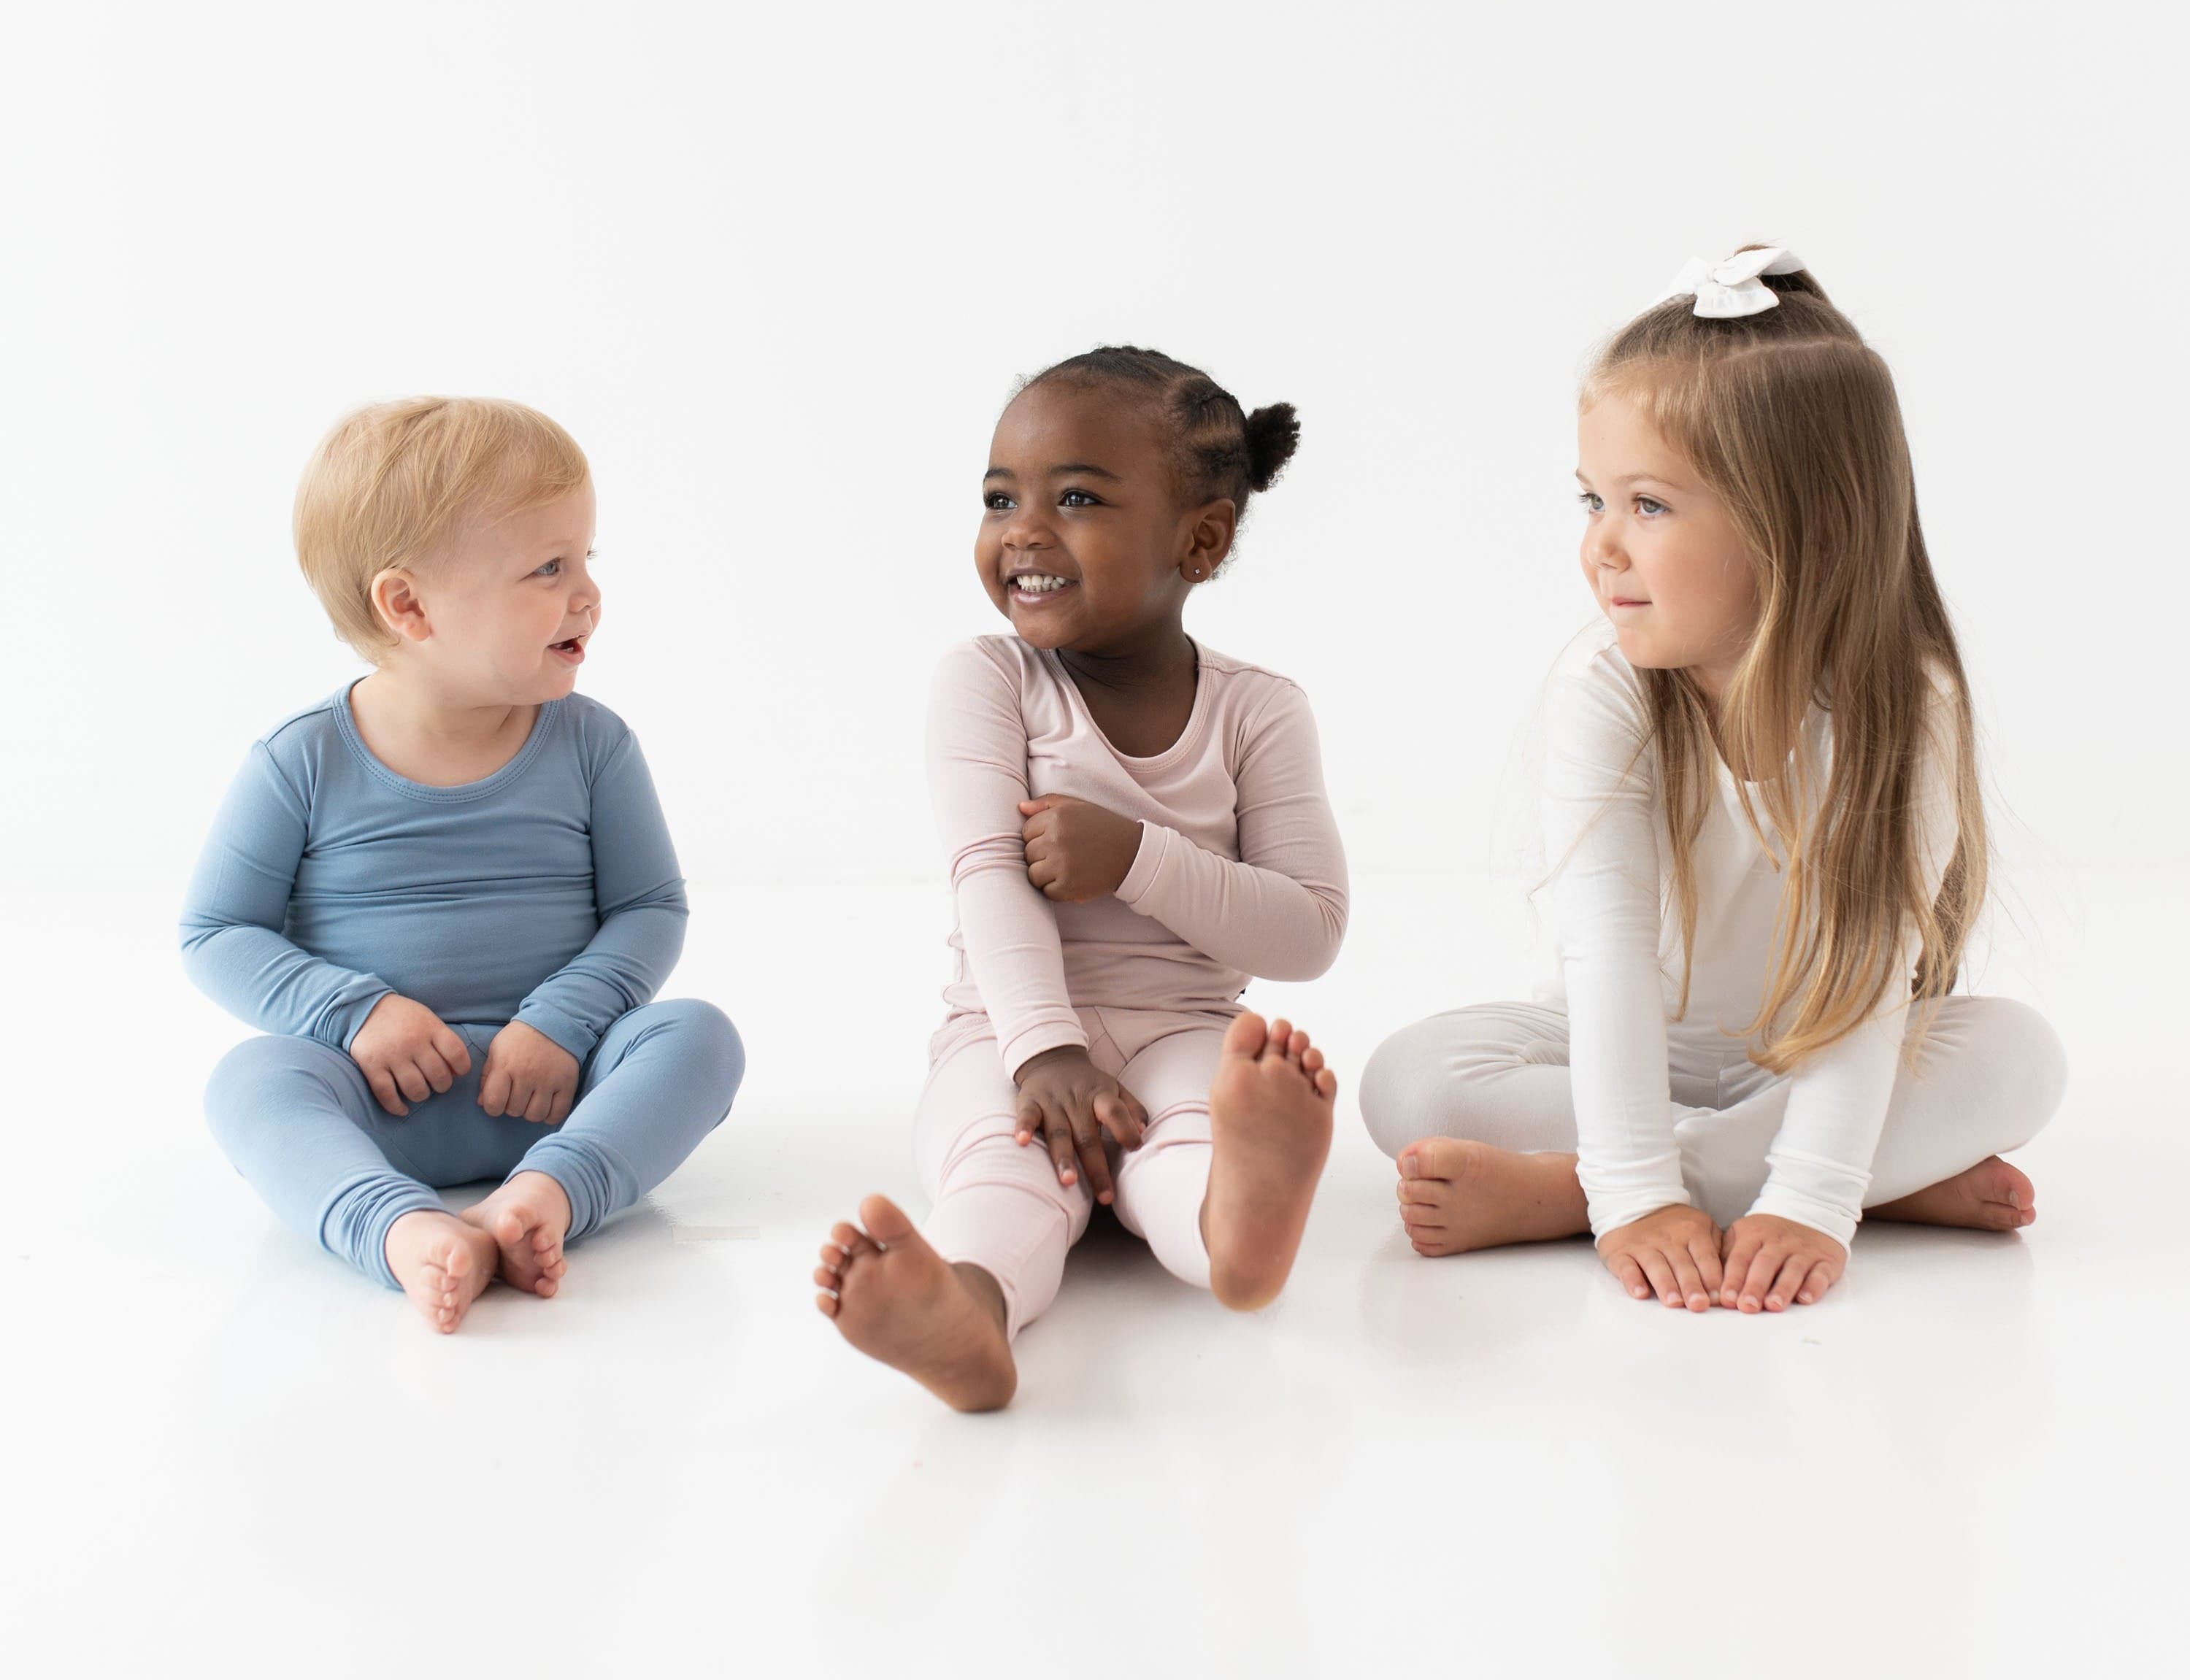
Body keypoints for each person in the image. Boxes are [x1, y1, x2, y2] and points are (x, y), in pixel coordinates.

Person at [1359, 250, 2066, 1314]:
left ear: (1799, 525)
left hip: (1824, 1048)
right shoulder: (1609, 692)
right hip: (1642, 1048)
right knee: (1409, 1081)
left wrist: (1813, 1201)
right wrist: (1637, 1190)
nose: (1601, 546)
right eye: (1593, 497)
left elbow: (1868, 991)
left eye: (1648, 505)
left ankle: (1571, 1192)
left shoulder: (1903, 704)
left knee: (2020, 1058)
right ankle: (1881, 1174)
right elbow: (1607, 966)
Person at [815, 347, 1348, 1407]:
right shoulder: (987, 679)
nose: (1023, 529)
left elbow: (1309, 932)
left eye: (1075, 498)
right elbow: (987, 876)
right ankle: (966, 1311)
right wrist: (1043, 1052)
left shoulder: (1259, 710)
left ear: (1201, 539)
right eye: (999, 497)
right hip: (1002, 1034)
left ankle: (1232, 1231)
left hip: (1184, 1029)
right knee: (995, 1168)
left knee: (1191, 1134)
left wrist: (1138, 857)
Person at [183, 396, 742, 1332]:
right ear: (408, 606)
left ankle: (545, 1199)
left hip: (561, 1087)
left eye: (587, 559)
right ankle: (392, 1225)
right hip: (376, 1097)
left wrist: (564, 1024)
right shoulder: (301, 760)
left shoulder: (593, 746)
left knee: (698, 1036)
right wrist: (353, 1013)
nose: (588, 595)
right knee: (252, 1081)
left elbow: (650, 909)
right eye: (548, 567)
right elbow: (215, 933)